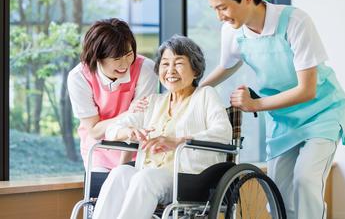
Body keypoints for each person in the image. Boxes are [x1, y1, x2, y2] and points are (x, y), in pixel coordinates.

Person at [199, 0, 345, 219]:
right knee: (277, 195)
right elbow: (227, 65)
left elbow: (307, 90)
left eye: (223, 7)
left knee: (306, 182)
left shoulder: (295, 21)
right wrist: (193, 92)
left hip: (321, 113)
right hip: (283, 120)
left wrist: (255, 104)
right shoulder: (232, 32)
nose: (219, 16)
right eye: (215, 9)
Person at [92, 35, 232, 219]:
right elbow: (112, 129)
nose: (171, 70)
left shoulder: (206, 95)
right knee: (121, 172)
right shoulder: (153, 102)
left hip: (189, 177)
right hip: (150, 173)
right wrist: (129, 132)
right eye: (165, 64)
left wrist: (178, 141)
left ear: (196, 70)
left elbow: (223, 132)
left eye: (179, 63)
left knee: (145, 178)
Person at [67, 18, 158, 172]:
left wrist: (121, 170)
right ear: (97, 57)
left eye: (129, 54)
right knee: (100, 191)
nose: (125, 64)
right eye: (116, 58)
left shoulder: (146, 69)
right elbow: (95, 131)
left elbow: (137, 122)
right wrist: (128, 113)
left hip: (136, 148)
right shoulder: (79, 78)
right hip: (99, 150)